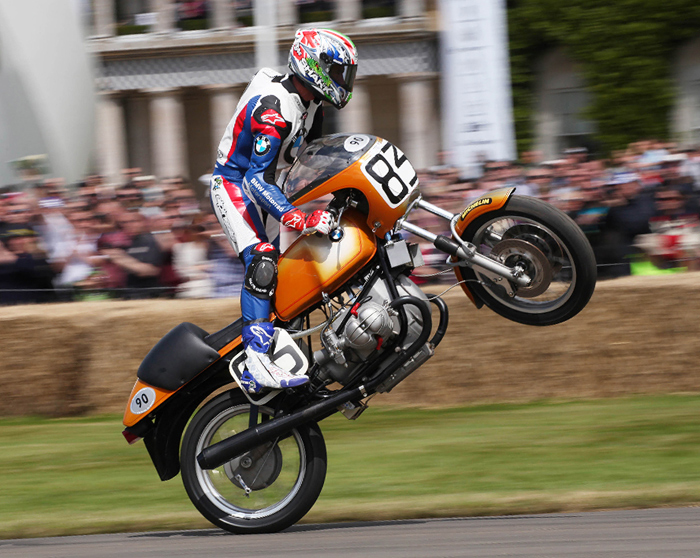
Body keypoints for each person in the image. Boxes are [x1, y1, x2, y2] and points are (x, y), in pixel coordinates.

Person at [210, 28, 358, 394]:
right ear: (314, 66)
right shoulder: (275, 112)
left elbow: (316, 157)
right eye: (338, 72)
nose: (342, 81)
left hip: (270, 186)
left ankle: (286, 351)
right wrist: (300, 217)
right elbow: (255, 182)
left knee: (288, 273)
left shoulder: (312, 104)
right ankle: (253, 362)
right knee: (261, 262)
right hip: (236, 185)